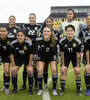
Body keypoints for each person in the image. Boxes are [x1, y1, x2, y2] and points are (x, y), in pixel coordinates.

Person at [21, 13, 42, 90]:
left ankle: (36, 84)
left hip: (35, 48)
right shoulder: (24, 26)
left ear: (35, 18)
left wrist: (31, 39)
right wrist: (26, 37)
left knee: (35, 67)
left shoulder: (39, 26)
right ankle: (24, 84)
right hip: (26, 48)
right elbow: (21, 34)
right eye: (30, 17)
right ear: (28, 18)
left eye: (33, 17)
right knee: (26, 67)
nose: (31, 19)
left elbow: (39, 37)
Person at [59, 25, 82, 96]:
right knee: (63, 70)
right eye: (68, 30)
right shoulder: (62, 41)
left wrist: (78, 66)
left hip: (74, 57)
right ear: (66, 32)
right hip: (65, 56)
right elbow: (62, 54)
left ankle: (78, 90)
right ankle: (62, 89)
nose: (69, 32)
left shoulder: (78, 41)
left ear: (74, 32)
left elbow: (78, 54)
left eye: (71, 31)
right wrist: (62, 65)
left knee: (77, 71)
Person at [10, 29, 34, 95]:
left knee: (30, 70)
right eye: (18, 35)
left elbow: (31, 54)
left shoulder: (28, 43)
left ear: (24, 36)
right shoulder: (13, 43)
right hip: (18, 58)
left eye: (21, 35)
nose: (20, 37)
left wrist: (29, 65)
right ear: (16, 36)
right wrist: (14, 65)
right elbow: (11, 55)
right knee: (13, 70)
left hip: (27, 58)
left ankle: (30, 89)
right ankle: (15, 89)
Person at [0, 15, 20, 92]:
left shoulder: (17, 30)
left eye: (12, 19)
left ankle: (15, 87)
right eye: (10, 19)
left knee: (14, 70)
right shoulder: (5, 29)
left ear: (15, 20)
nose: (11, 20)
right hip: (5, 55)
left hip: (14, 54)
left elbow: (21, 37)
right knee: (6, 70)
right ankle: (6, 86)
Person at [36, 26, 58, 95]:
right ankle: (40, 89)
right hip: (42, 57)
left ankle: (54, 89)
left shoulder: (55, 40)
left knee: (54, 70)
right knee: (40, 70)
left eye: (48, 31)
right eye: (44, 31)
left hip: (51, 57)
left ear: (51, 33)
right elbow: (31, 40)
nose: (46, 33)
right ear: (42, 32)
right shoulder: (38, 40)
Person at [40, 17, 60, 89]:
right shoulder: (42, 31)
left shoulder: (56, 32)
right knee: (44, 69)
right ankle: (45, 83)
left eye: (49, 21)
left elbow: (59, 41)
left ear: (52, 23)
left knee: (54, 69)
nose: (48, 23)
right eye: (47, 22)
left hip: (52, 53)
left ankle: (55, 87)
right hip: (43, 52)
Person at [79, 15, 90, 96]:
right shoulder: (83, 30)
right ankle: (88, 89)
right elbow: (79, 39)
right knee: (87, 69)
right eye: (88, 19)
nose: (89, 20)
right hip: (87, 53)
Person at [0, 25, 12, 95]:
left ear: (7, 32)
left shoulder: (11, 39)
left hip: (6, 56)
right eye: (1, 31)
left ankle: (6, 87)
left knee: (6, 70)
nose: (2, 33)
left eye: (4, 31)